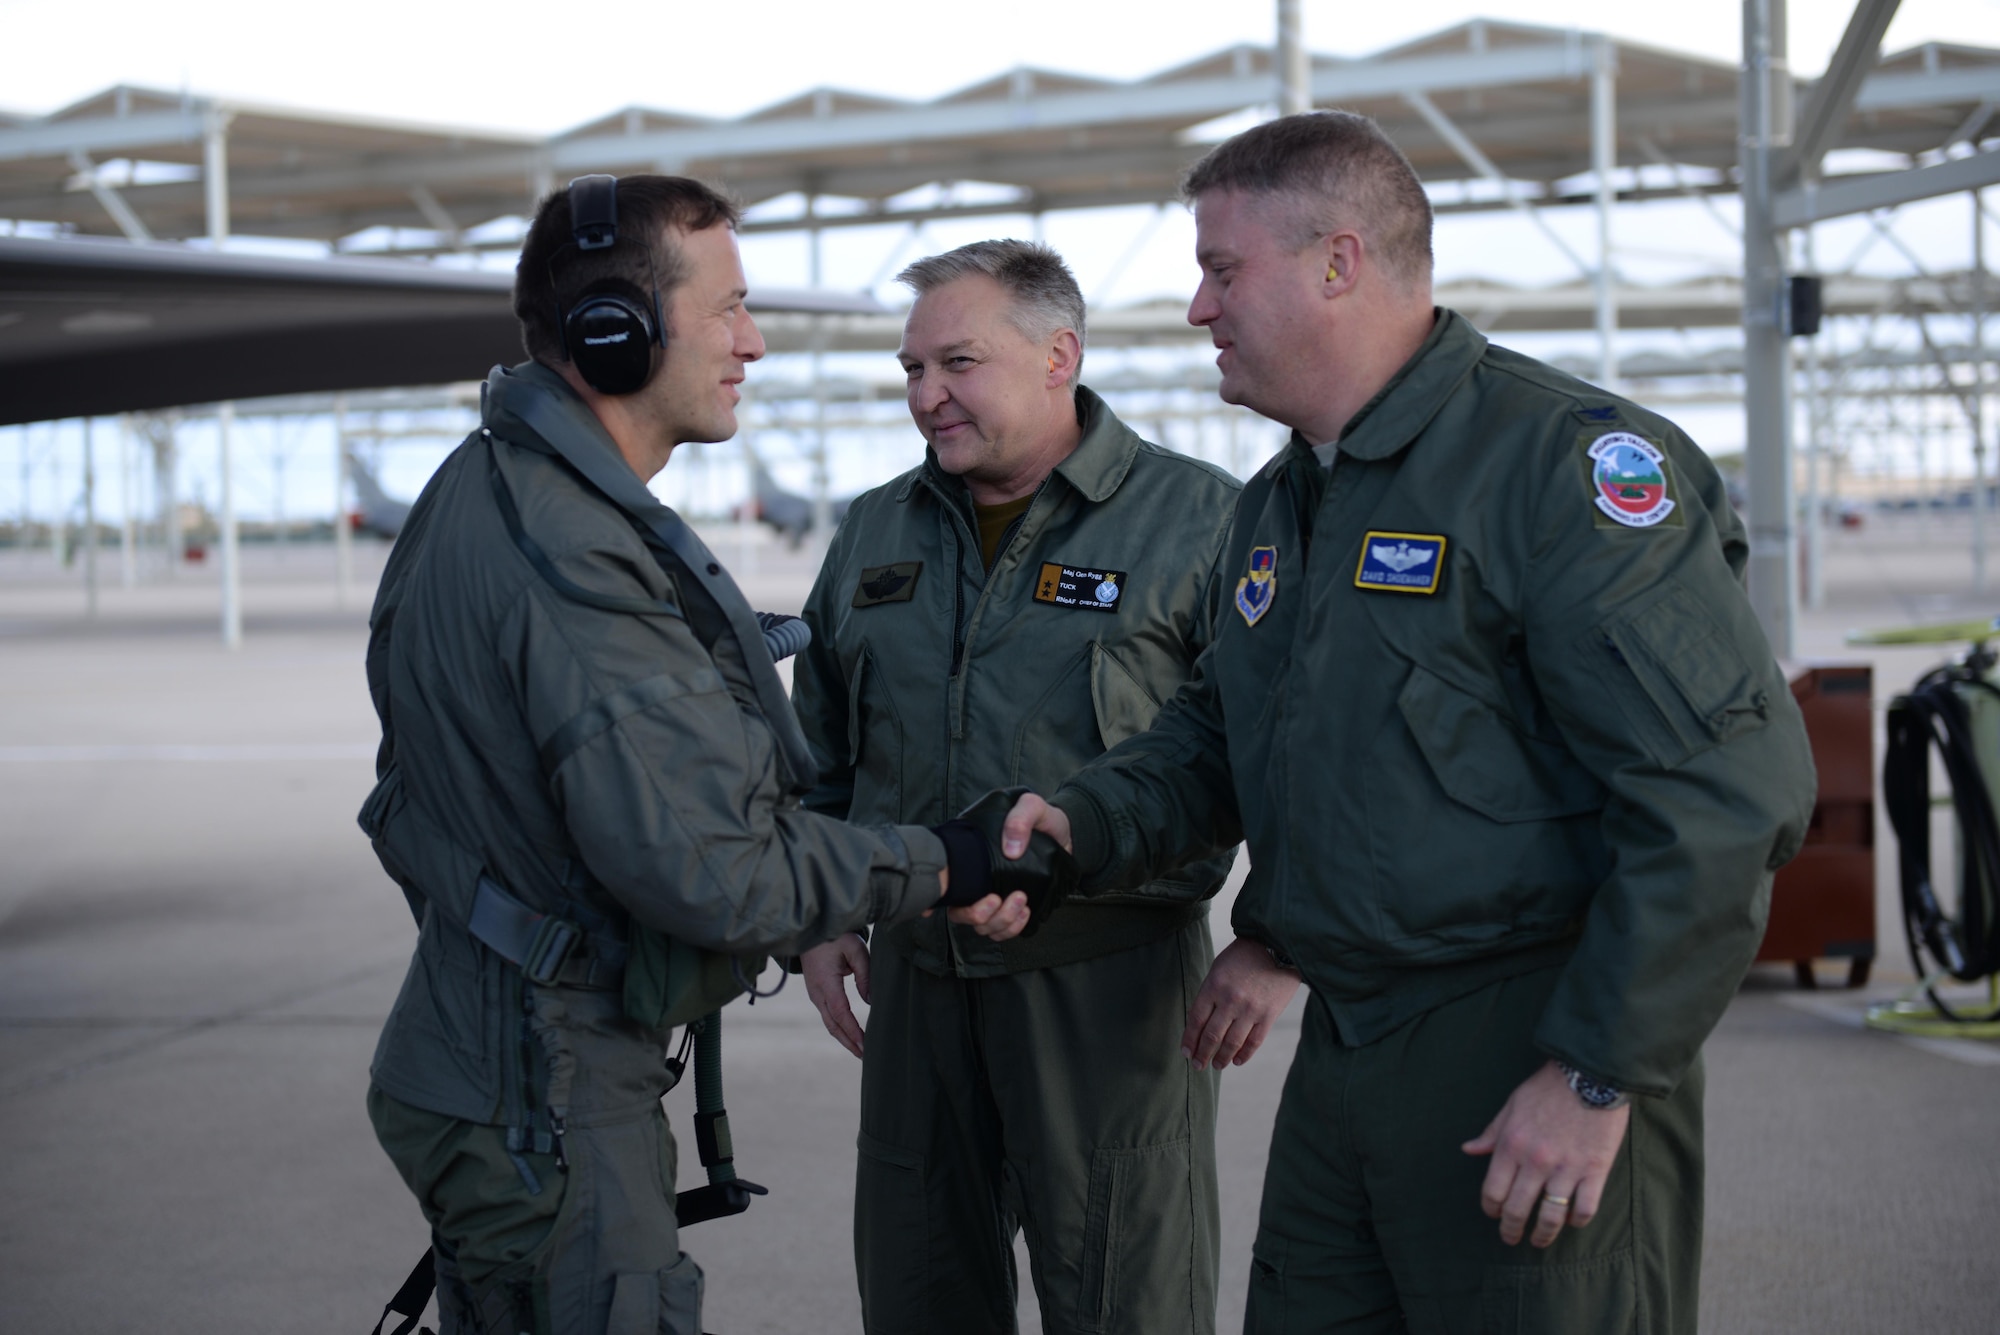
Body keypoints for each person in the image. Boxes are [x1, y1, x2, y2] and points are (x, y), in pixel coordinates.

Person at [1002, 113, 1818, 1333]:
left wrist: (1596, 1072)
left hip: (1523, 1040)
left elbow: (1718, 791)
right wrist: (1072, 822)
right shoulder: (1285, 499)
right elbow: (1220, 735)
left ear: (1337, 262)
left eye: (1221, 271)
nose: (1194, 309)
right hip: (1347, 1052)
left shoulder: (1560, 467)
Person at [357, 174, 1039, 1335]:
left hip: (502, 1055)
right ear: (613, 334)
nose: (753, 342)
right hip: (544, 1085)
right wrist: (950, 862)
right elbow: (718, 875)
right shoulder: (568, 553)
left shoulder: (493, 490)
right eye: (725, 308)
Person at [790, 239, 1244, 1335]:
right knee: (917, 1293)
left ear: (1058, 356)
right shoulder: (874, 529)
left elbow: (1258, 755)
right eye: (910, 370)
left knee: (1122, 1300)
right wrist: (818, 914)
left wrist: (1275, 940)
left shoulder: (1200, 521)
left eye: (956, 363)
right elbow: (816, 750)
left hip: (1108, 995)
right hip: (917, 985)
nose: (926, 397)